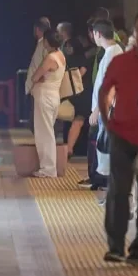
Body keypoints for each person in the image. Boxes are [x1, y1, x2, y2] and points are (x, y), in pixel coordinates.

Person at [98, 12, 138, 264]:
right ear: (134, 33)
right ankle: (115, 246)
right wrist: (107, 121)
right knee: (118, 192)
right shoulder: (121, 62)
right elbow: (104, 91)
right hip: (122, 134)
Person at [84, 18, 123, 191]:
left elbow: (109, 87)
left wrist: (97, 110)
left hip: (108, 109)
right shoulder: (113, 52)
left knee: (106, 146)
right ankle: (105, 180)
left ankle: (108, 181)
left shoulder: (112, 54)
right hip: (107, 109)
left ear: (98, 34)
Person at [30, 29, 66, 178]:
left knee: (44, 133)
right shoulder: (61, 56)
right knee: (48, 131)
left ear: (47, 41)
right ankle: (48, 167)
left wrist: (38, 78)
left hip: (45, 97)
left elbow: (34, 77)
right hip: (54, 96)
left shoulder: (50, 58)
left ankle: (48, 168)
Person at [56, 22, 90, 159]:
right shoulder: (69, 45)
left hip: (75, 90)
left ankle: (68, 149)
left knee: (77, 118)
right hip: (75, 89)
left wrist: (73, 83)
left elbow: (82, 67)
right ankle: (68, 148)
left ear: (62, 32)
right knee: (77, 119)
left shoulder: (70, 46)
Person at [25, 17, 51, 96]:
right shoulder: (43, 44)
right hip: (37, 90)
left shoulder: (45, 45)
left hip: (39, 91)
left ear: (37, 29)